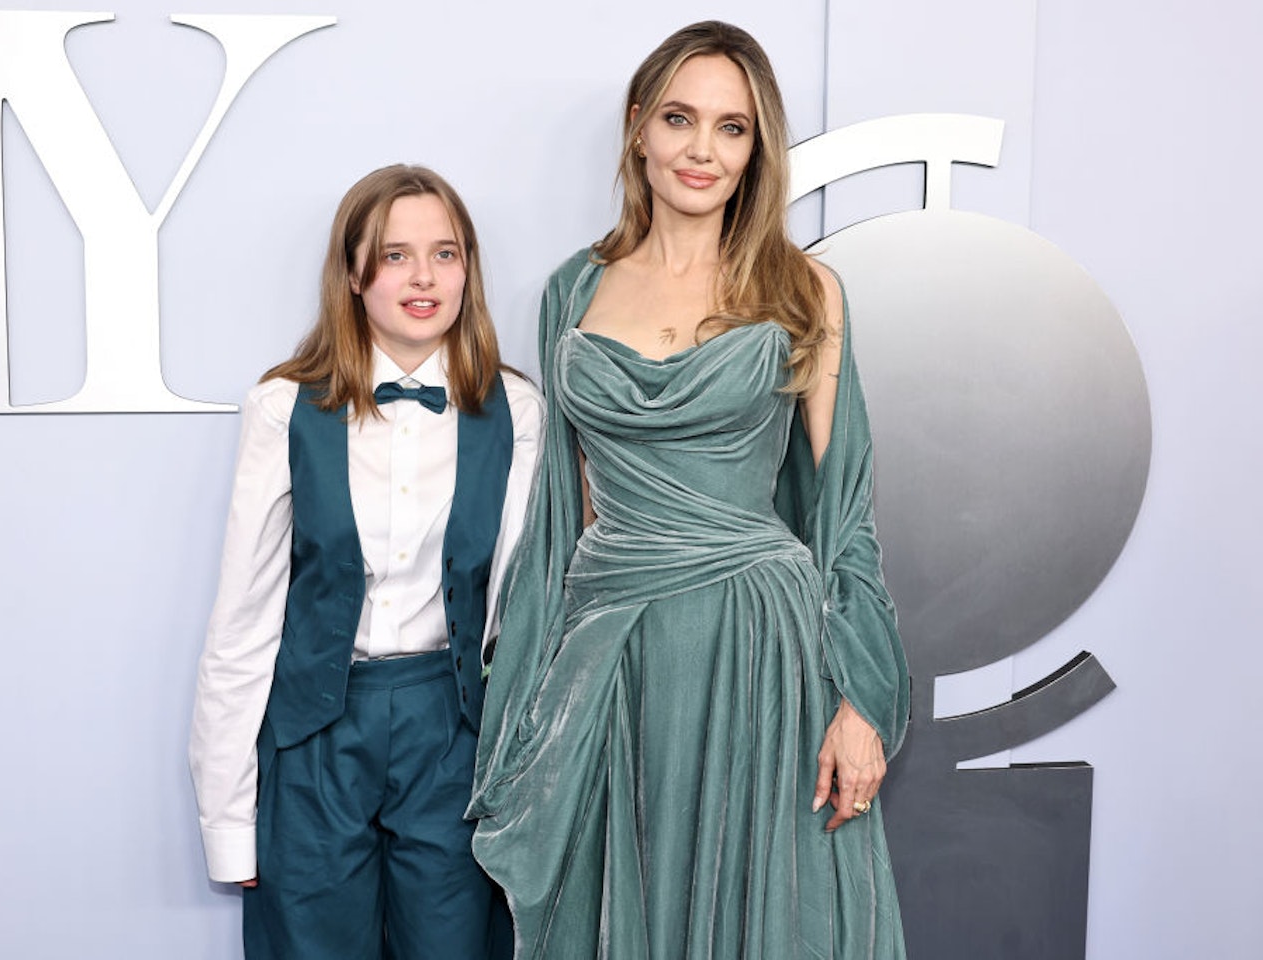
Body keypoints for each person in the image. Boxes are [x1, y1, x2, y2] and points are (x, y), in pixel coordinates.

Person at [469, 22, 909, 958]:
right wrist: (534, 691)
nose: (702, 150)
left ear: (758, 149)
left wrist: (861, 698)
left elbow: (846, 506)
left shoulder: (805, 292)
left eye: (732, 127)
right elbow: (561, 510)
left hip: (757, 646)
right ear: (638, 129)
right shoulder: (570, 292)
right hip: (615, 649)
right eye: (679, 118)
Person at [189, 164, 542, 959]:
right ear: (353, 274)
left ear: (468, 269)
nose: (423, 277)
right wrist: (228, 820)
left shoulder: (517, 410)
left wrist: (526, 792)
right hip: (315, 729)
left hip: (453, 735)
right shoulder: (284, 406)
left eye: (445, 254)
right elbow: (242, 624)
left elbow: (518, 621)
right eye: (394, 255)